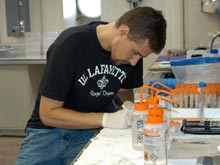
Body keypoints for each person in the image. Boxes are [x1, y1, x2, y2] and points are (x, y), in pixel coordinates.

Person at [16, 6, 166, 165]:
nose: (134, 62)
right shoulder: (69, 45)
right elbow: (48, 115)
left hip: (88, 131)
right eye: (135, 52)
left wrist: (128, 110)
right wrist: (106, 119)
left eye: (141, 56)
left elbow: (125, 91)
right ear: (123, 32)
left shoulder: (131, 55)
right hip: (47, 133)